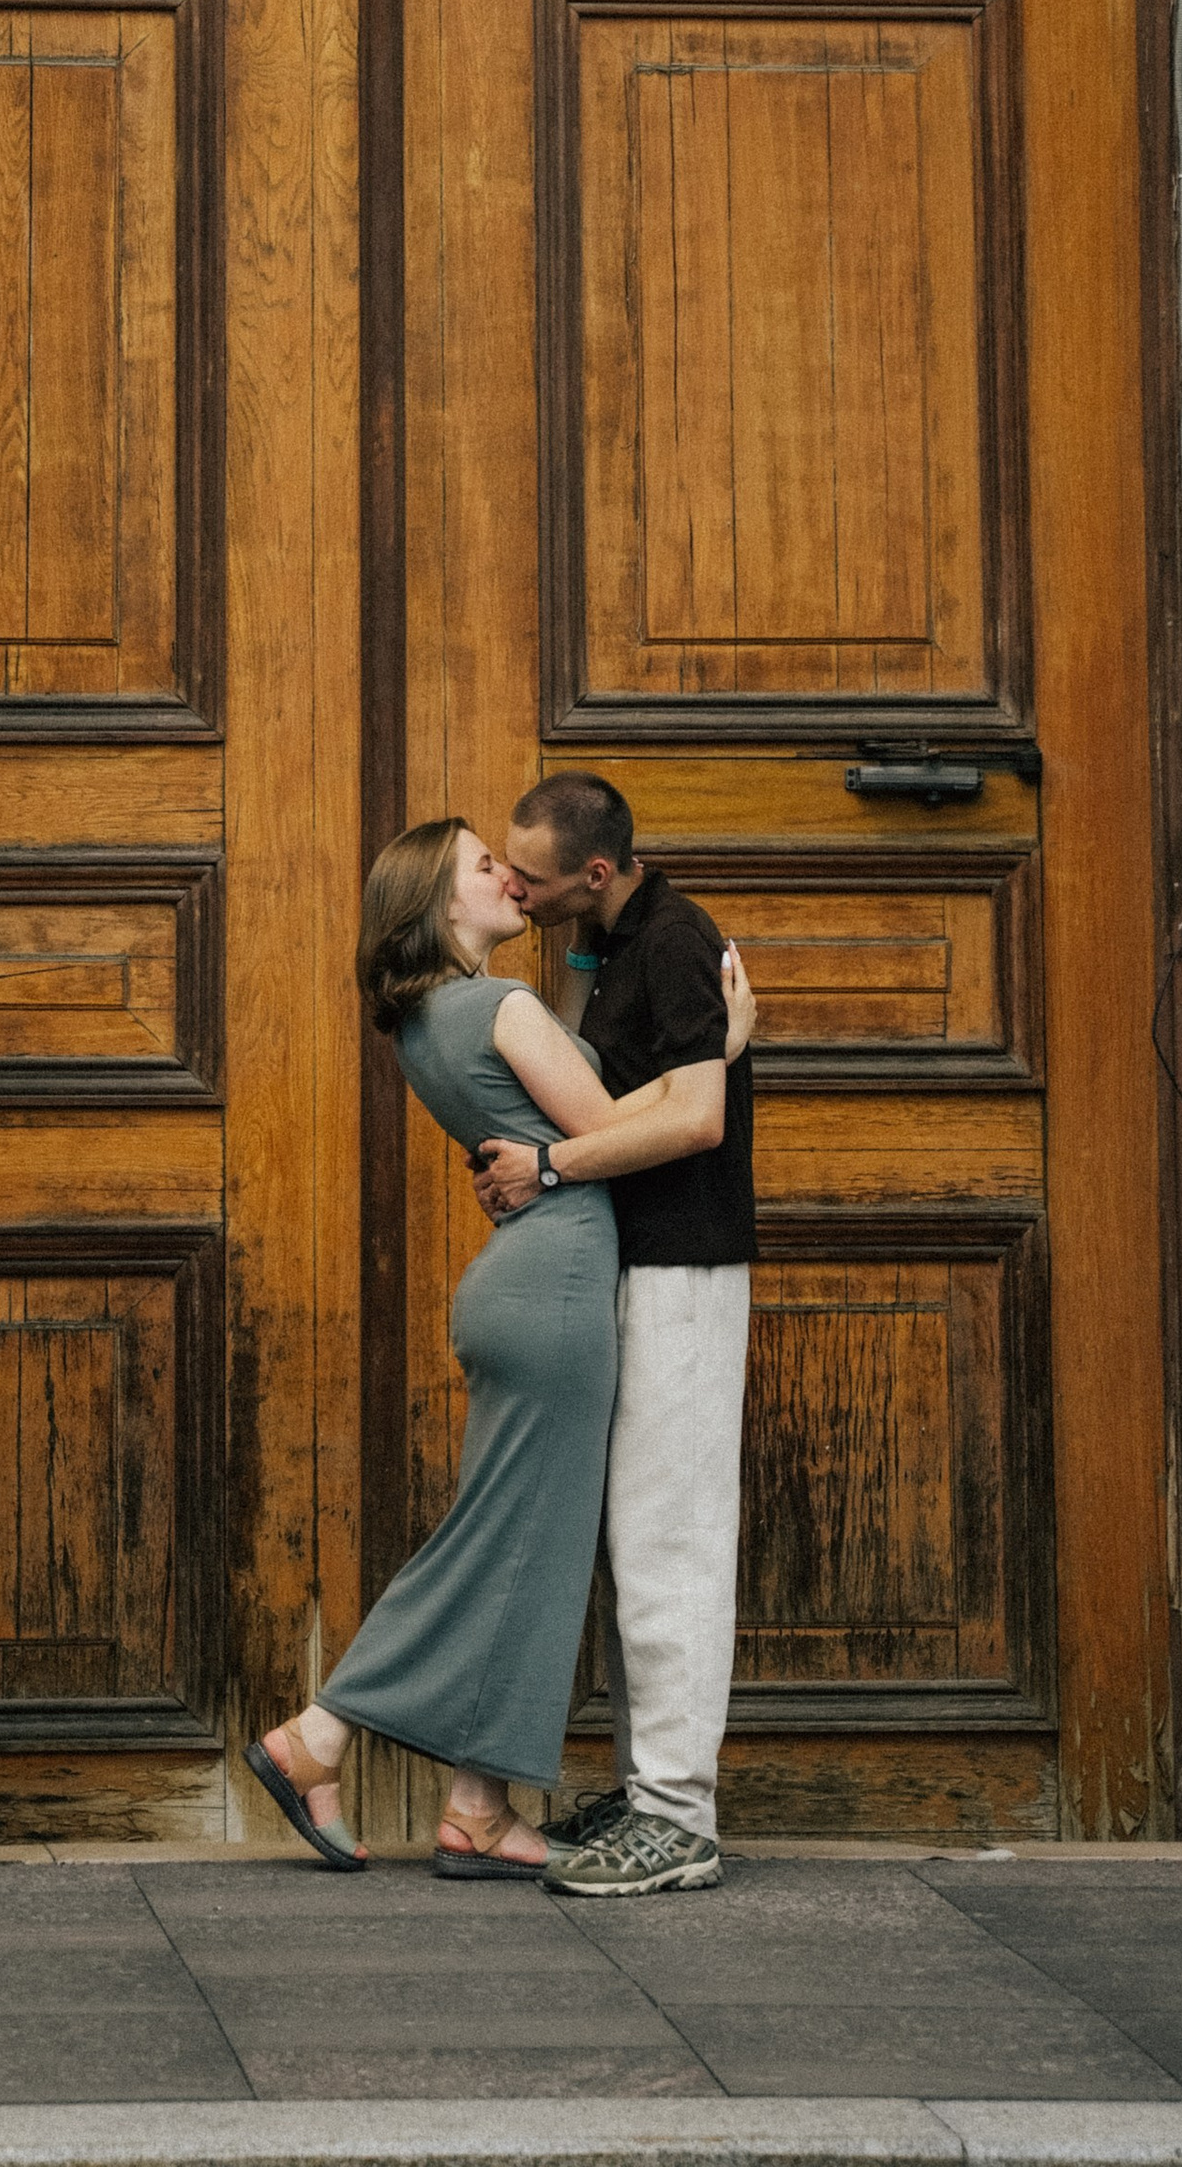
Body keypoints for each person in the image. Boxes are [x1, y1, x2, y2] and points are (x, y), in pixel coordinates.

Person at [250, 816, 748, 1880]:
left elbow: (560, 1101)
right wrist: (723, 1045)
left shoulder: (429, 1017)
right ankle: (318, 1737)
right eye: (485, 868)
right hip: (560, 1281)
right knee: (501, 1543)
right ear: (439, 905)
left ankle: (476, 1807)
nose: (509, 880)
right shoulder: (500, 1005)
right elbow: (612, 1129)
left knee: (536, 1546)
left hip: (522, 1282)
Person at [472, 771, 756, 1898]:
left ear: (593, 872)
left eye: (529, 878)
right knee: (640, 1541)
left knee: (671, 1540)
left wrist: (545, 1168)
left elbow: (693, 1119)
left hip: (684, 1264)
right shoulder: (614, 944)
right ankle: (650, 1798)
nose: (513, 889)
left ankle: (679, 1822)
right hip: (640, 1262)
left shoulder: (678, 939)